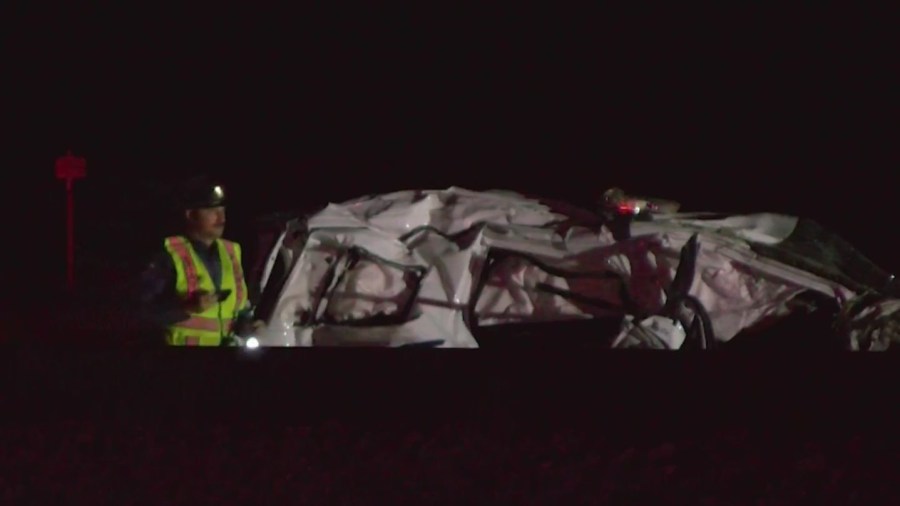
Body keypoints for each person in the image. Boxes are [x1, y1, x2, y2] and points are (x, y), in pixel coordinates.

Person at [138, 175, 257, 346]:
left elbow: (240, 307)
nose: (220, 217)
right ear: (191, 215)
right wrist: (186, 308)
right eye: (211, 210)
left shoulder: (232, 252)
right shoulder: (169, 255)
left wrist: (248, 324)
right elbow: (142, 312)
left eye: (223, 209)